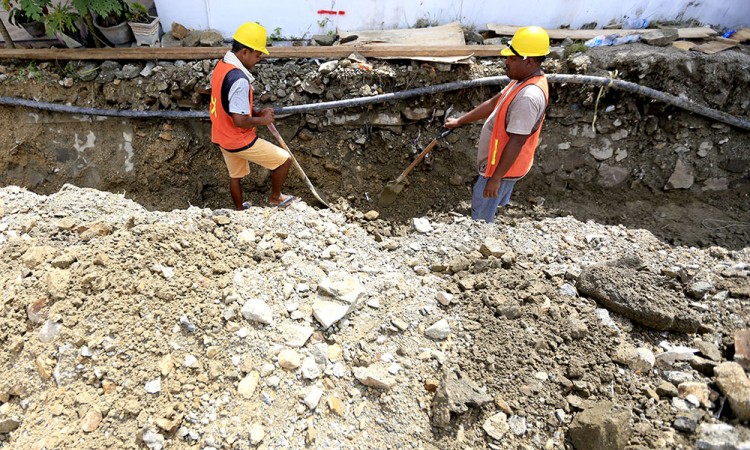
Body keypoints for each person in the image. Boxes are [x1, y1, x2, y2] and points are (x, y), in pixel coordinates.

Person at [445, 26, 550, 223]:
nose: (506, 61)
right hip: (499, 166)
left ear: (528, 61)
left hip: (500, 168)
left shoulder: (528, 97)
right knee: (489, 203)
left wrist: (495, 179)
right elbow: (495, 102)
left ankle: (480, 240)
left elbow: (517, 141)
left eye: (511, 58)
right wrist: (460, 121)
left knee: (482, 210)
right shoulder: (521, 81)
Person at [210, 22, 298, 210]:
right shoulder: (239, 80)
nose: (258, 59)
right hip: (237, 139)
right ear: (244, 52)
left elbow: (230, 104)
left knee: (236, 176)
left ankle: (240, 211)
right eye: (257, 55)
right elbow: (240, 121)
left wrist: (257, 112)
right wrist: (263, 120)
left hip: (221, 135)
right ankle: (276, 198)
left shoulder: (222, 65)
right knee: (284, 160)